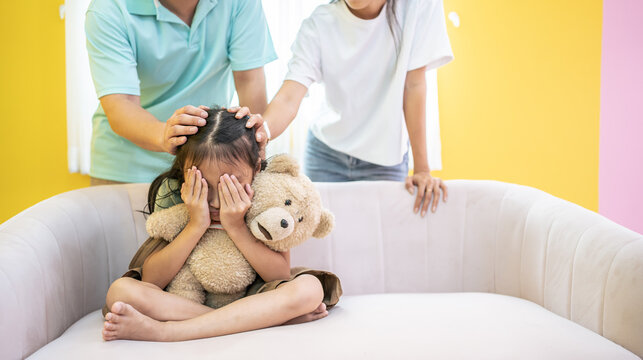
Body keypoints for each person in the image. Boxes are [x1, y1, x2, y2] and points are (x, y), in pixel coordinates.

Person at [102, 107, 342, 341]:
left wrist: (236, 226)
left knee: (309, 289)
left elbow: (279, 275)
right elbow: (152, 281)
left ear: (256, 169)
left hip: (255, 297)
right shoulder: (177, 194)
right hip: (186, 301)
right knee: (121, 291)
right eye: (203, 184)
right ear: (184, 175)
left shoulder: (267, 194)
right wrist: (195, 225)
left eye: (231, 184)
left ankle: (168, 332)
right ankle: (253, 321)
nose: (217, 201)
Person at [254, 0, 453, 216]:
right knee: (322, 240)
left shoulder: (418, 6)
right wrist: (263, 130)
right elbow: (289, 97)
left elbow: (413, 85)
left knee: (381, 243)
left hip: (385, 159)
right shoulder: (319, 23)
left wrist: (422, 169)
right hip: (326, 153)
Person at [85, 0, 275, 185]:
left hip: (210, 166)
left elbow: (249, 81)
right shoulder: (109, 8)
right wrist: (164, 135)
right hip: (128, 169)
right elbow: (121, 104)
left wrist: (251, 144)